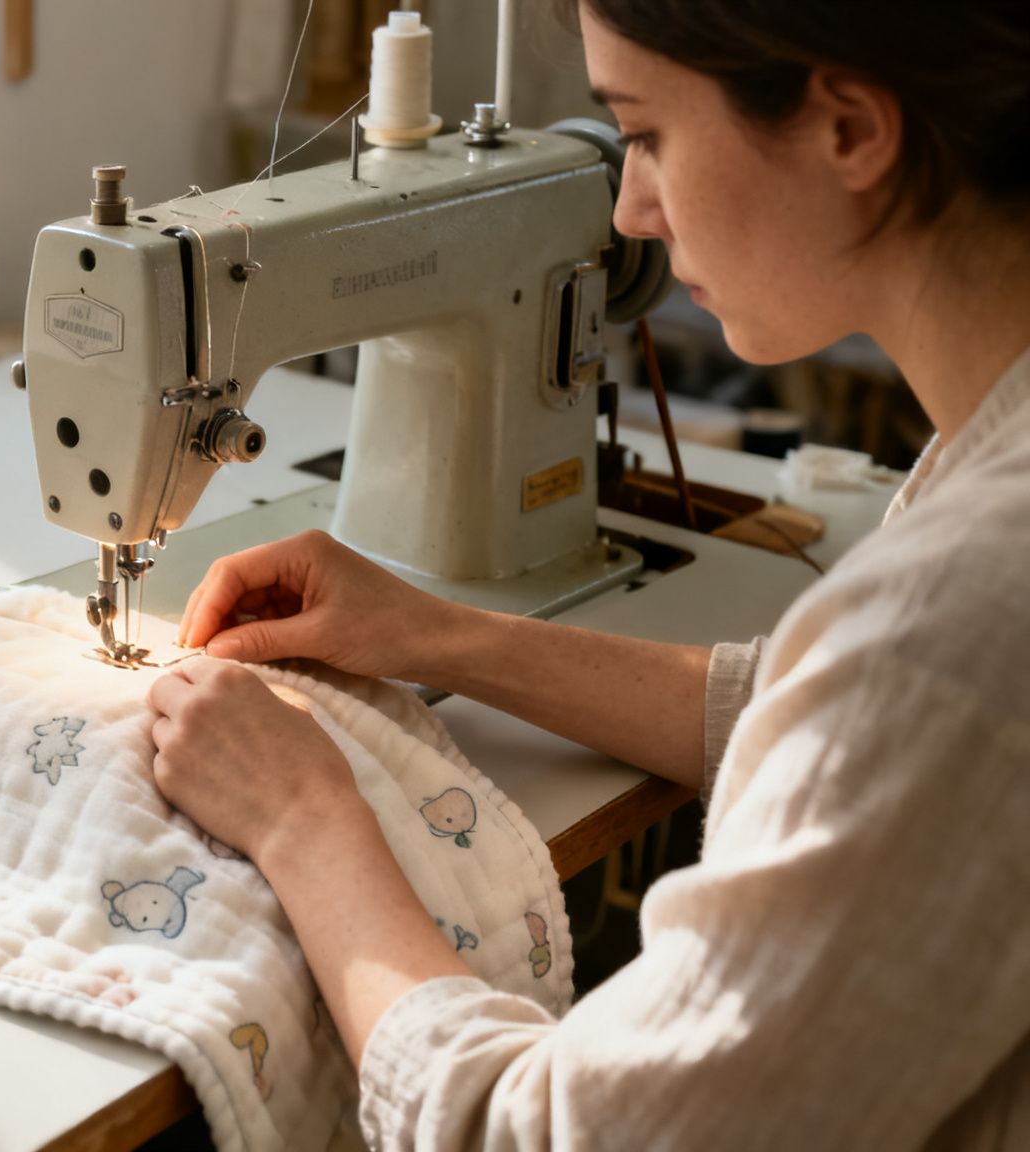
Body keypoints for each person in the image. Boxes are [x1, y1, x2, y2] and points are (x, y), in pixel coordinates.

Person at [145, 1, 1030, 1147]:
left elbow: (534, 1135)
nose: (625, 210)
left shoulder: (955, 622)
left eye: (645, 134)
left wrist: (304, 818)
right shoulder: (981, 474)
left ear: (849, 129)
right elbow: (814, 725)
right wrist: (437, 635)